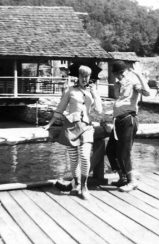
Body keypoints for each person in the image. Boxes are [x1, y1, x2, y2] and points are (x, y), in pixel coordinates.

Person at [45, 65, 103, 199]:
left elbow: (99, 110)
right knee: (73, 159)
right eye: (82, 75)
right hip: (70, 128)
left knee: (84, 156)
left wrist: (94, 94)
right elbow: (60, 109)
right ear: (78, 76)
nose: (84, 78)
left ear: (90, 77)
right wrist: (49, 125)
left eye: (87, 76)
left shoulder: (92, 92)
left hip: (87, 127)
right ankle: (76, 183)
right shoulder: (70, 91)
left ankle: (84, 186)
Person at [106, 60, 150, 192]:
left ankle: (132, 181)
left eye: (121, 73)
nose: (120, 76)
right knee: (110, 150)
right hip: (118, 120)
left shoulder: (133, 83)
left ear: (125, 72)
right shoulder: (118, 84)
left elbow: (147, 92)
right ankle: (122, 178)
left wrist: (138, 75)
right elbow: (119, 101)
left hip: (128, 120)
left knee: (124, 152)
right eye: (117, 74)